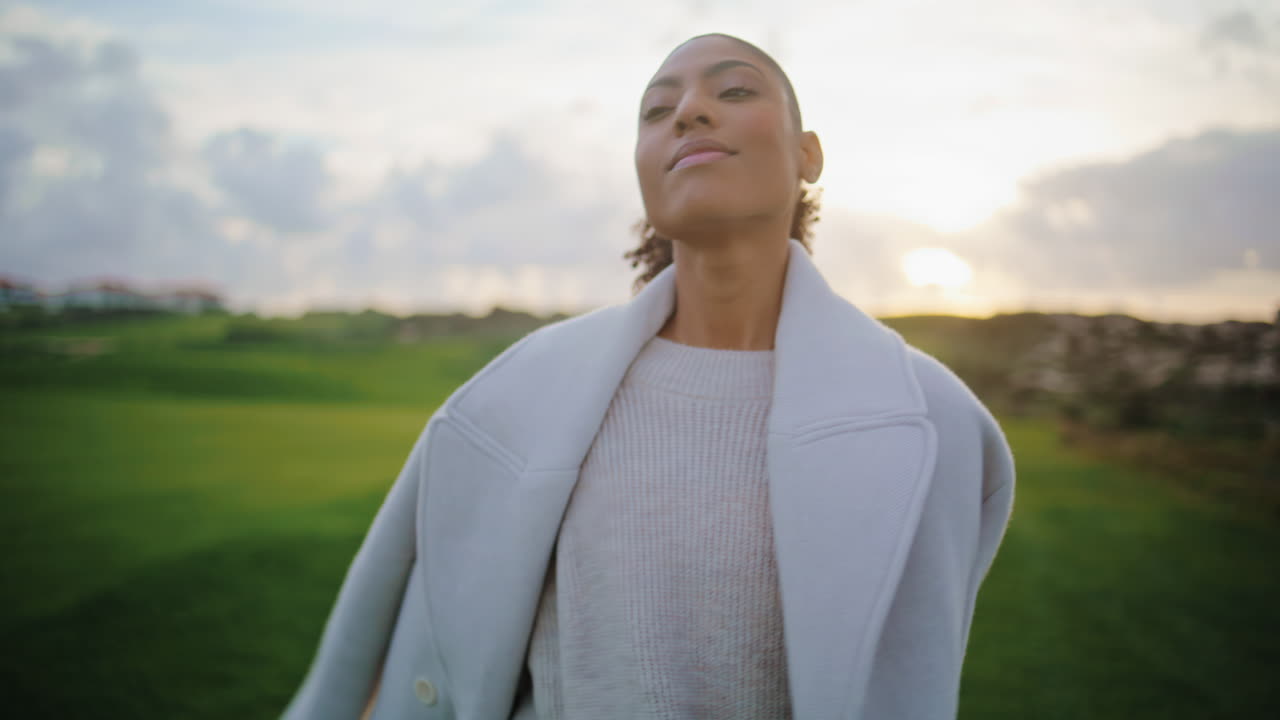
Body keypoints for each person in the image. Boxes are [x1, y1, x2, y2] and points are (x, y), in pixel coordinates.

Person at [283, 33, 1015, 720]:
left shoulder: (934, 422)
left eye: (733, 92)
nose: (689, 112)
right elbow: (381, 642)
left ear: (808, 154)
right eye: (657, 111)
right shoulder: (512, 395)